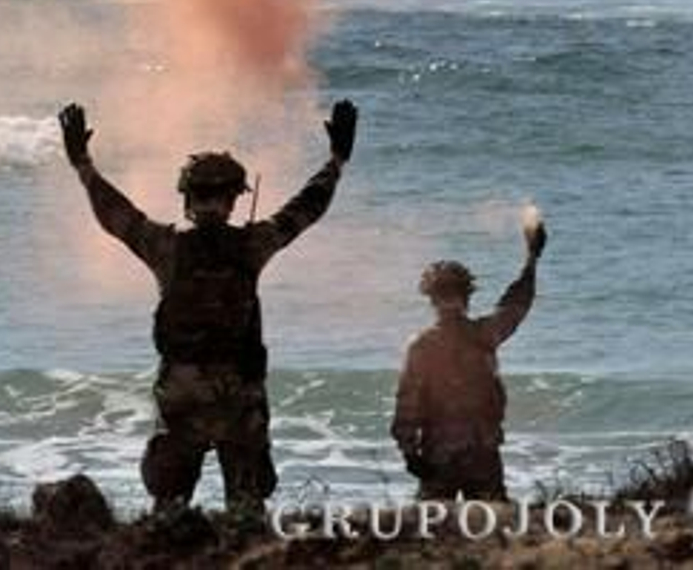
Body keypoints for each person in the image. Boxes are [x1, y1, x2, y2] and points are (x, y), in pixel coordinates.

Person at [58, 99, 358, 516]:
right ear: (234, 199)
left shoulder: (165, 246)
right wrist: (336, 162)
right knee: (247, 510)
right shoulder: (253, 243)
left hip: (182, 393)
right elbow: (305, 208)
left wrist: (83, 165)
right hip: (239, 394)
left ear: (187, 197)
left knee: (169, 507)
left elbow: (116, 214)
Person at [391, 218, 547, 500]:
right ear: (467, 297)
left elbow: (407, 405)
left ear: (431, 299)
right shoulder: (484, 334)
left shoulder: (421, 346)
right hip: (482, 451)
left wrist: (409, 452)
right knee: (490, 520)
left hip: (438, 454)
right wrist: (531, 261)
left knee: (433, 522)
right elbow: (516, 304)